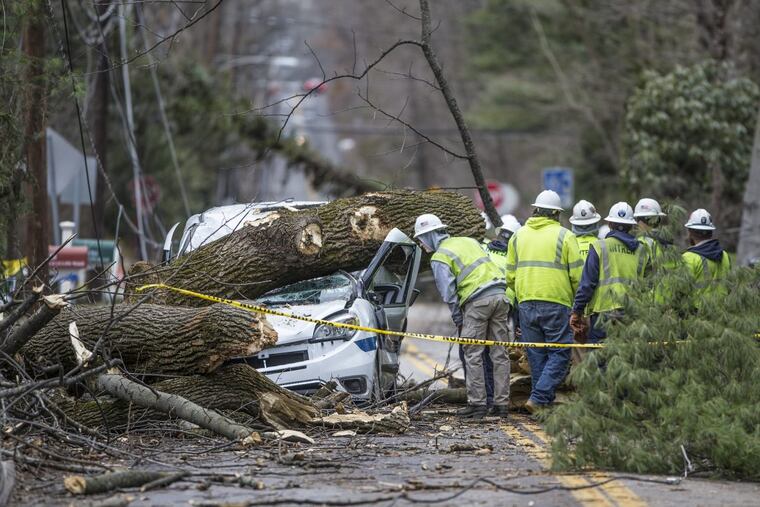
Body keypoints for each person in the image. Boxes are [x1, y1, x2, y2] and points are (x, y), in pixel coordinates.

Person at [414, 213, 511, 419]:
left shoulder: (440, 256)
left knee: (473, 353)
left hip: (478, 302)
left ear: (430, 236)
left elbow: (449, 293)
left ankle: (477, 405)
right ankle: (501, 405)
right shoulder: (468, 241)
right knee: (499, 353)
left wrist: (458, 318)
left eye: (421, 239)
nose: (421, 245)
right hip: (501, 297)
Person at [505, 190, 582, 413]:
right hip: (557, 302)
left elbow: (509, 275)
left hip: (526, 303)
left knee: (536, 354)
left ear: (535, 210)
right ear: (556, 214)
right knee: (559, 353)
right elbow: (577, 275)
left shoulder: (518, 236)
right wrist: (579, 305)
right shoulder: (565, 236)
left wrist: (524, 291)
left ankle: (541, 405)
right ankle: (539, 398)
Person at [570, 202, 650, 344]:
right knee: (627, 359)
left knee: (601, 361)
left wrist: (577, 311)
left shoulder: (599, 247)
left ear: (609, 223)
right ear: (632, 225)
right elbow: (649, 286)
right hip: (632, 315)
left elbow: (587, 284)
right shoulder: (642, 251)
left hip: (603, 315)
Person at [682, 209, 731, 292]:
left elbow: (681, 289)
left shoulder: (688, 258)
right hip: (722, 305)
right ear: (711, 232)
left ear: (690, 232)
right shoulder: (724, 255)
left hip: (696, 305)